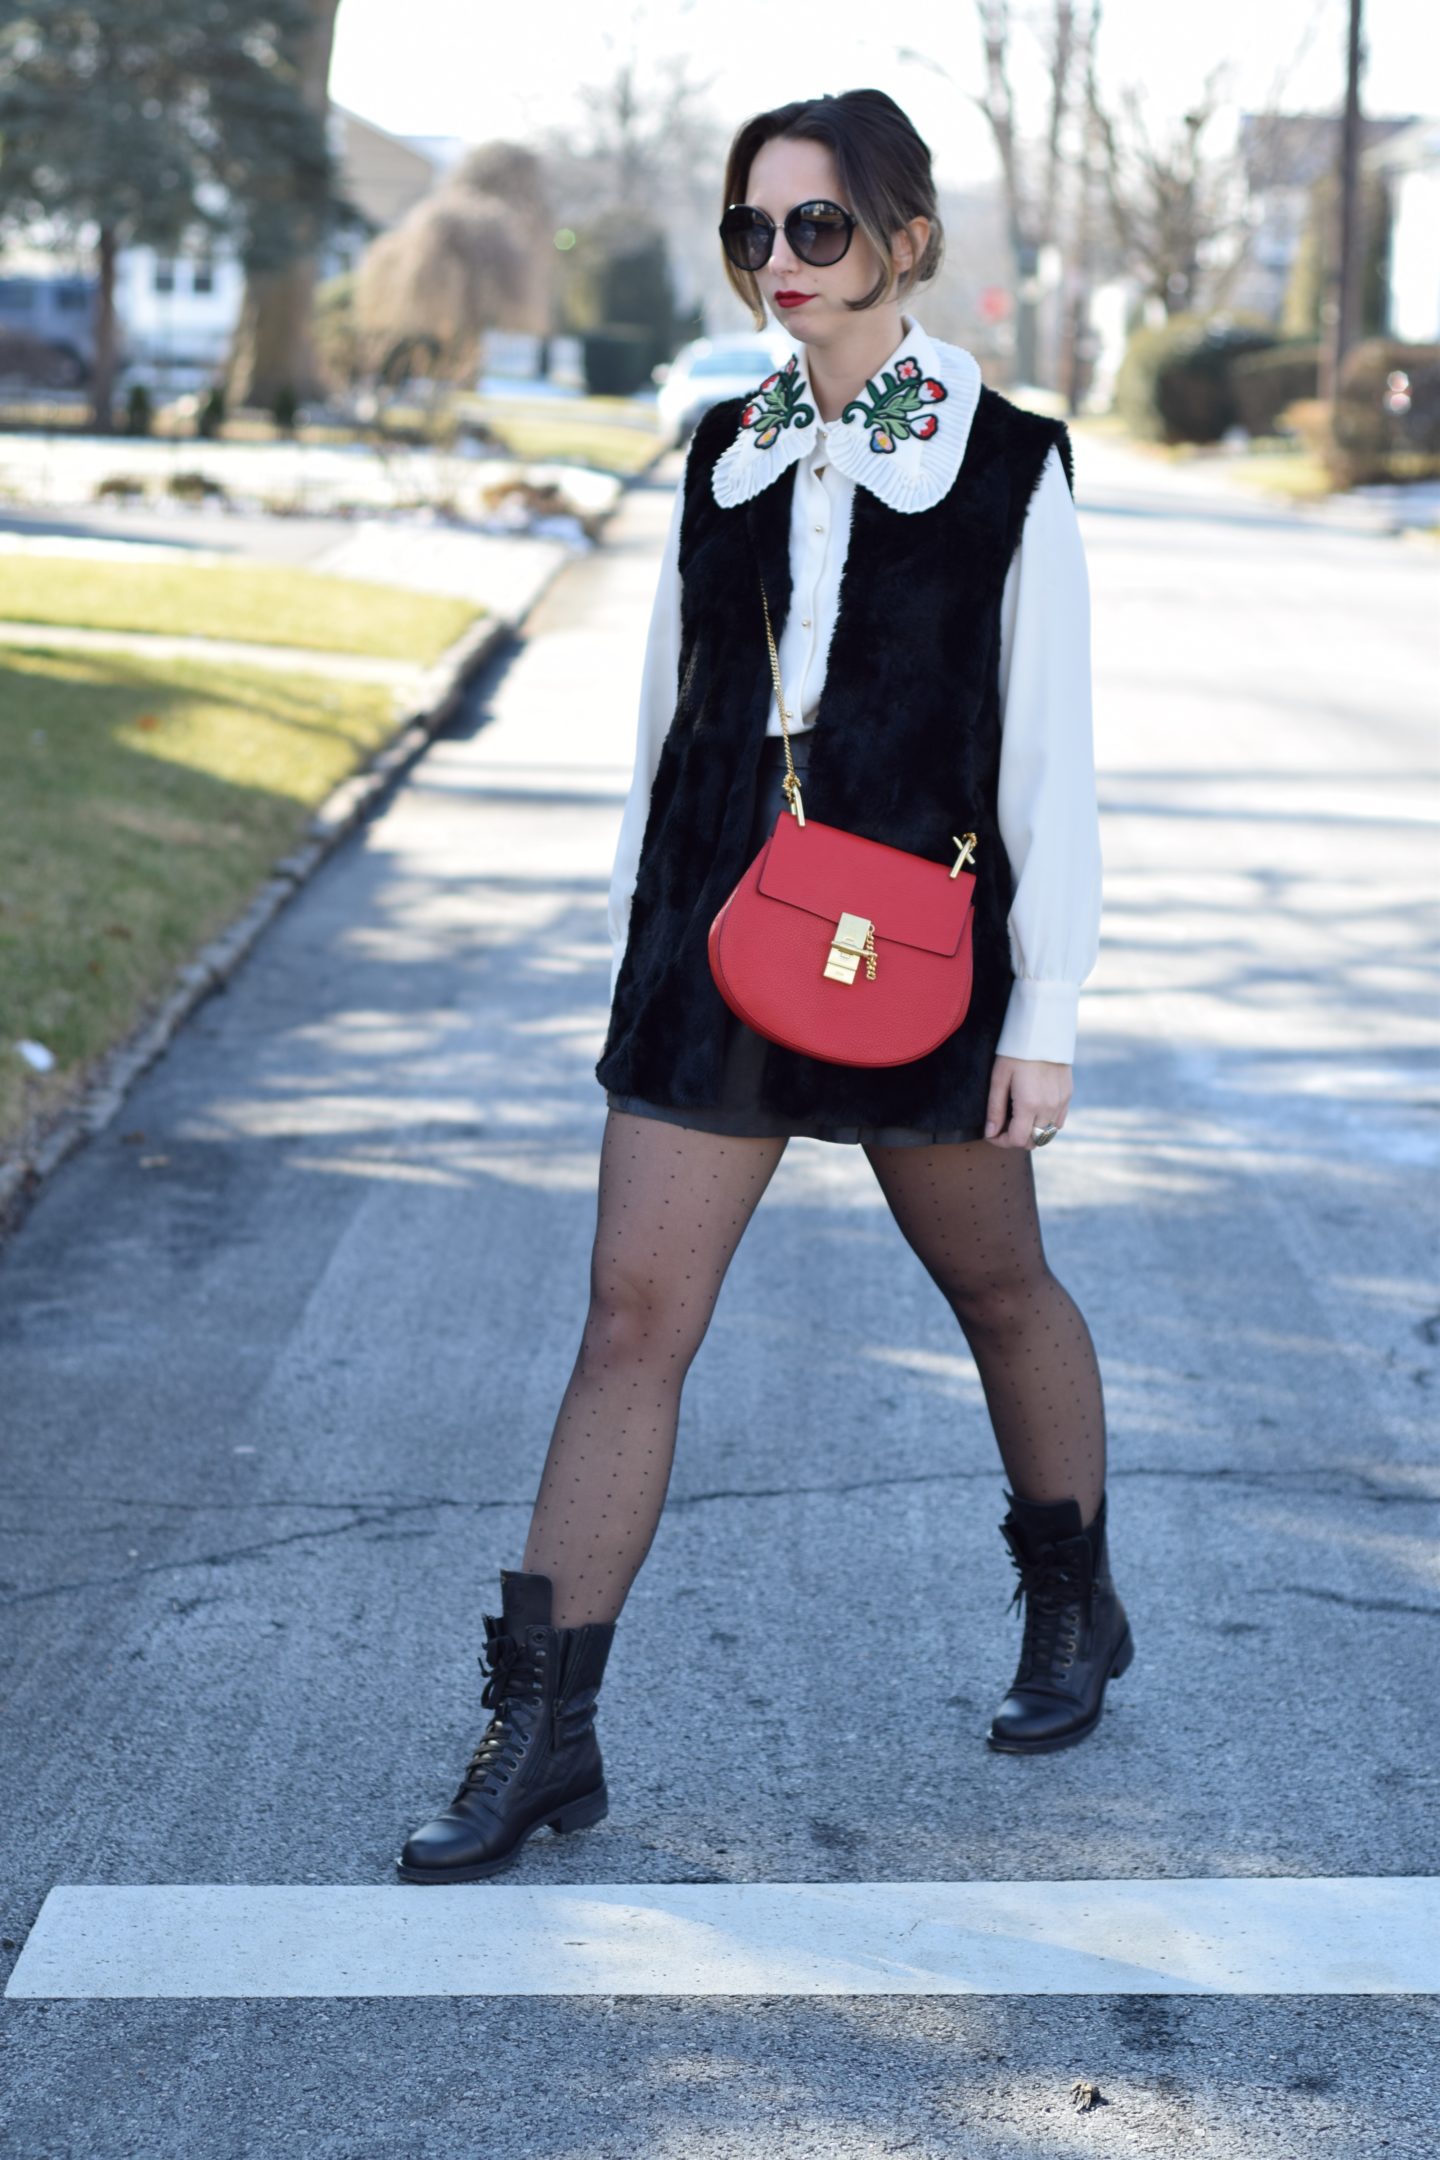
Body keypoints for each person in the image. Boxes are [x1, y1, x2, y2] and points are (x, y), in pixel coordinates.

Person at [397, 88, 1132, 1887]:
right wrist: (642, 950)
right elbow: (665, 725)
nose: (778, 265)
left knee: (1002, 1287)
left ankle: (1072, 1603)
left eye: (814, 229)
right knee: (629, 1321)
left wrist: (1044, 1016)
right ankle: (540, 1729)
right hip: (718, 950)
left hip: (922, 956)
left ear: (904, 237)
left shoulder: (1002, 459)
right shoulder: (720, 452)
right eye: (752, 232)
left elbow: (1052, 762)